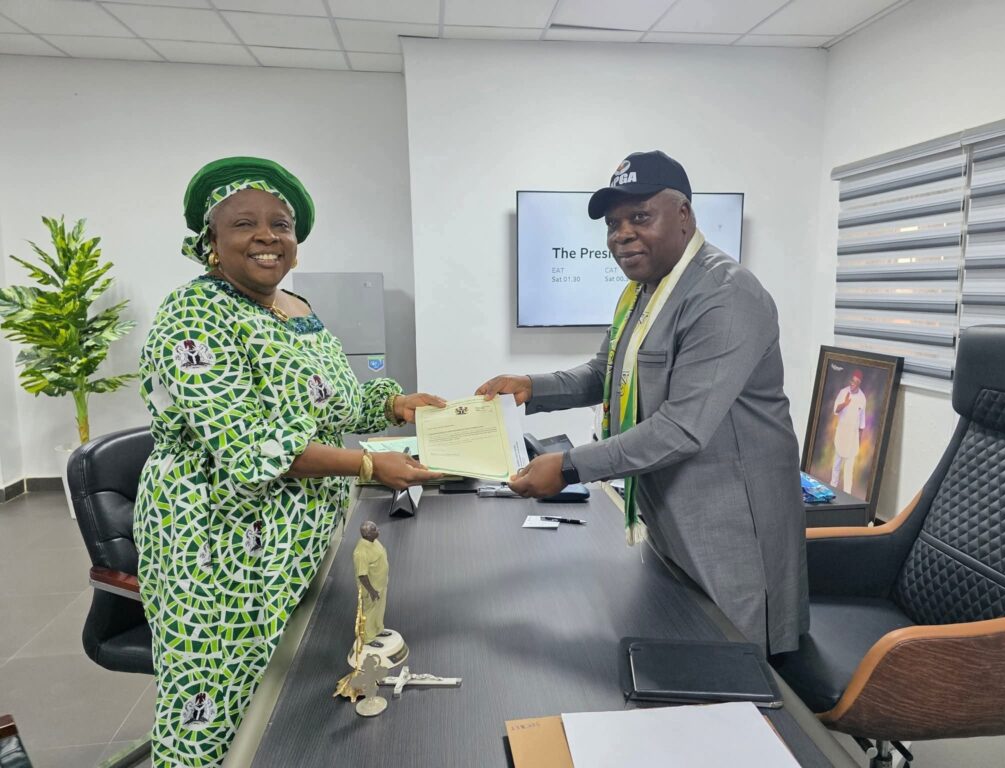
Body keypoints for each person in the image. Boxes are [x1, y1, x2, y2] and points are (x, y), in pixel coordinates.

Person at [134, 156, 444, 767]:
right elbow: (250, 446)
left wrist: (396, 404)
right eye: (243, 224)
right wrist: (367, 467)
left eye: (281, 224)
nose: (267, 236)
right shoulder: (193, 315)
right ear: (210, 240)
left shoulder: (294, 306)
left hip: (300, 537)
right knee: (216, 696)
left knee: (286, 693)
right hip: (220, 543)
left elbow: (336, 401)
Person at [478, 150, 808, 655]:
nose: (622, 235)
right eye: (613, 224)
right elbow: (605, 373)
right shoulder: (643, 292)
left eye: (640, 217)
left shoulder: (725, 295)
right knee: (680, 660)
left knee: (735, 673)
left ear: (684, 215)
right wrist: (530, 387)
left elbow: (681, 428)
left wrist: (568, 467)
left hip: (731, 532)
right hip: (669, 519)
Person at [830, 369, 866, 493]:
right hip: (841, 435)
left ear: (859, 384)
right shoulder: (843, 392)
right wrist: (844, 403)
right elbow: (836, 410)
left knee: (849, 470)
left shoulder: (862, 398)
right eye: (852, 381)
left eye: (856, 382)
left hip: (852, 438)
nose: (852, 384)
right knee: (836, 465)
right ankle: (832, 488)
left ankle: (847, 495)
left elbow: (862, 422)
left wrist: (859, 441)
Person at [354, 520, 389, 644]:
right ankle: (369, 638)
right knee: (370, 612)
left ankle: (378, 629)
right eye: (375, 530)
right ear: (368, 534)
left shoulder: (373, 541)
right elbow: (362, 575)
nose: (378, 530)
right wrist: (372, 591)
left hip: (381, 584)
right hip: (371, 589)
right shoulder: (361, 553)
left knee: (379, 608)